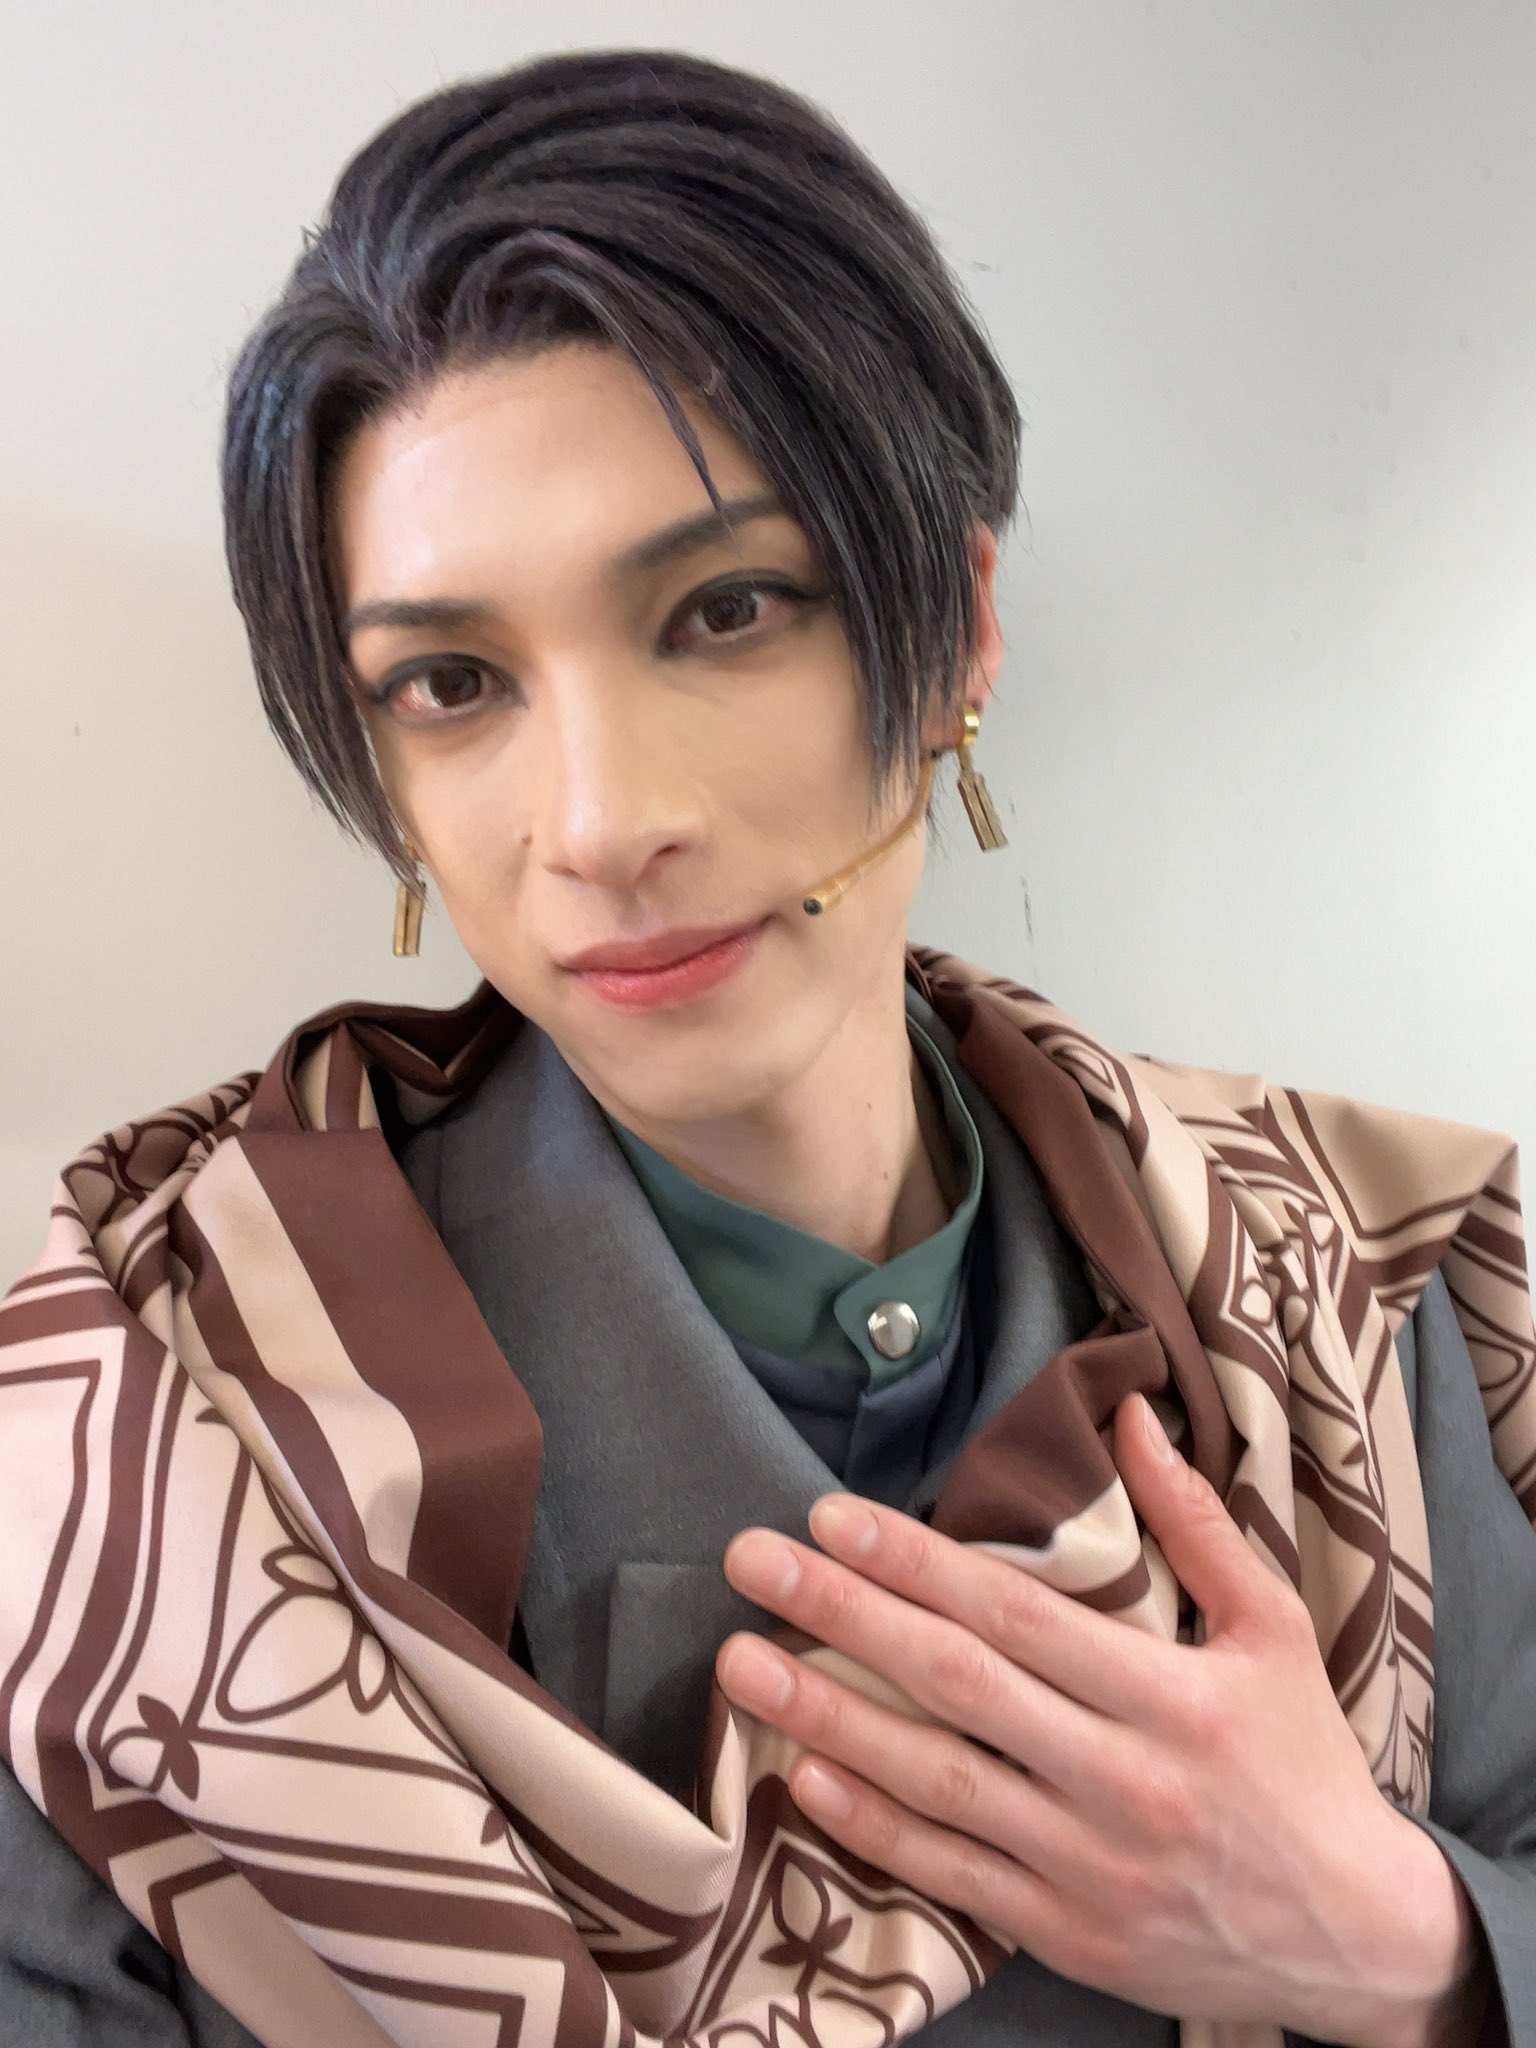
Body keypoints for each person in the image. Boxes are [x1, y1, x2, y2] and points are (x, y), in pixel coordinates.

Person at [1, 43, 1533, 2048]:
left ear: (958, 629)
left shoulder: (1335, 1289)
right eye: (451, 681)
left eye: (725, 611)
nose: (599, 821)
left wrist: (1414, 1942)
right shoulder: (138, 1449)